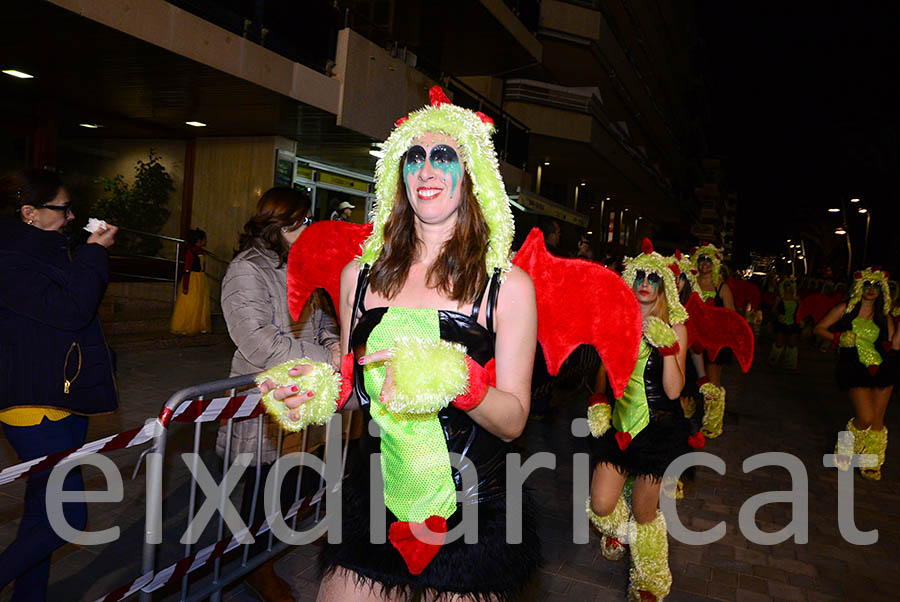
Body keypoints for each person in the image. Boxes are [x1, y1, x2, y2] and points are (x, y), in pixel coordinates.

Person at [262, 87, 539, 601]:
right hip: (374, 495)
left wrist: (456, 380)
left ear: (472, 172)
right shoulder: (357, 277)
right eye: (414, 157)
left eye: (443, 157)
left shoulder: (508, 287)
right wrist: (319, 388)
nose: (426, 170)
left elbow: (514, 419)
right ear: (398, 173)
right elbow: (354, 380)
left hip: (471, 502)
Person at [0, 168, 118, 601]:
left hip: (64, 395)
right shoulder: (10, 257)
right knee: (65, 518)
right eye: (62, 208)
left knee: (40, 516)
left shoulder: (47, 250)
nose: (71, 216)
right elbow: (71, 311)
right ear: (30, 212)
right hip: (32, 404)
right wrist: (93, 255)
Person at [217, 187, 340, 601]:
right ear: (279, 225)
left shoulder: (303, 264)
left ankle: (262, 555)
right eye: (301, 222)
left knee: (293, 484)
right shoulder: (246, 269)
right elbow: (259, 343)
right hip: (265, 401)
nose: (309, 228)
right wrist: (327, 356)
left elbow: (321, 316)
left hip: (303, 396)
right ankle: (253, 567)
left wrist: (334, 343)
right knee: (261, 489)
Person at [586, 238, 687, 602]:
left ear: (663, 287)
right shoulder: (615, 320)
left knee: (645, 513)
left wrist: (667, 346)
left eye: (653, 278)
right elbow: (602, 370)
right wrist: (598, 401)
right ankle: (617, 531)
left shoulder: (676, 327)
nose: (645, 282)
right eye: (639, 276)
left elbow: (675, 392)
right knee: (601, 505)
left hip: (658, 429)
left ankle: (649, 580)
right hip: (618, 426)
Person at [814, 268, 895, 480]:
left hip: (882, 369)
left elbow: (894, 344)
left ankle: (870, 463)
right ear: (860, 287)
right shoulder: (846, 309)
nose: (871, 290)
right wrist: (838, 338)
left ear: (882, 290)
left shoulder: (884, 317)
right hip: (854, 367)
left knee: (877, 421)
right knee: (865, 417)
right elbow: (819, 328)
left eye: (876, 286)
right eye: (867, 285)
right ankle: (844, 451)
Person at [690, 243, 733, 438]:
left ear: (714, 263)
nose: (704, 264)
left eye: (708, 260)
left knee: (712, 381)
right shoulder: (691, 283)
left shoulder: (721, 287)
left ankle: (712, 422)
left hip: (715, 341)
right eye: (701, 260)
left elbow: (731, 317)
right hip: (693, 339)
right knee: (691, 377)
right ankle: (686, 412)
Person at [169, 228, 211, 335]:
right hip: (193, 279)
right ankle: (185, 326)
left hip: (201, 279)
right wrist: (185, 285)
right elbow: (187, 269)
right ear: (199, 240)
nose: (206, 241)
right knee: (190, 302)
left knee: (200, 303)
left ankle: (200, 325)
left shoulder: (201, 251)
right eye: (204, 239)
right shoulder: (191, 252)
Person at [769, 276, 800, 369]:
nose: (788, 287)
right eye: (786, 285)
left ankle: (790, 364)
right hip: (782, 324)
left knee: (792, 345)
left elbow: (801, 311)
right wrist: (779, 315)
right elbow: (774, 309)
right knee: (778, 344)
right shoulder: (779, 298)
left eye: (789, 285)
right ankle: (773, 361)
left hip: (793, 324)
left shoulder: (797, 299)